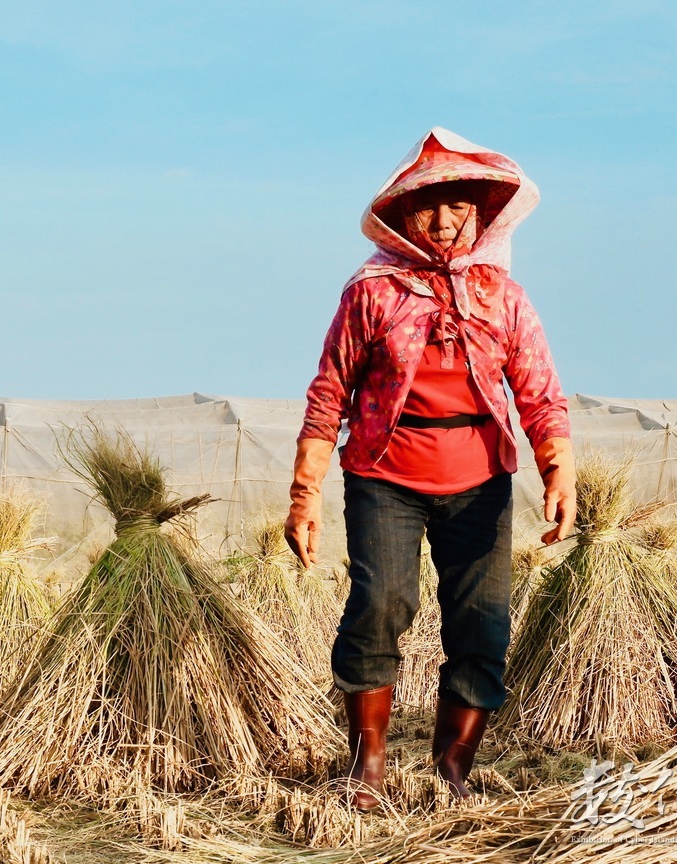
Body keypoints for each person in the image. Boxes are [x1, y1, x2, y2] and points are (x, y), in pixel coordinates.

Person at [285, 126, 576, 811]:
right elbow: (329, 392)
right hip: (384, 474)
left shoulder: (503, 297)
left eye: (458, 207)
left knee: (481, 624)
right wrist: (304, 497)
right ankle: (367, 766)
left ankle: (451, 769)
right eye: (427, 206)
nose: (444, 222)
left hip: (479, 479)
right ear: (399, 215)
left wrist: (558, 473)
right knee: (381, 604)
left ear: (479, 214)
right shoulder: (372, 294)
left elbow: (538, 392)